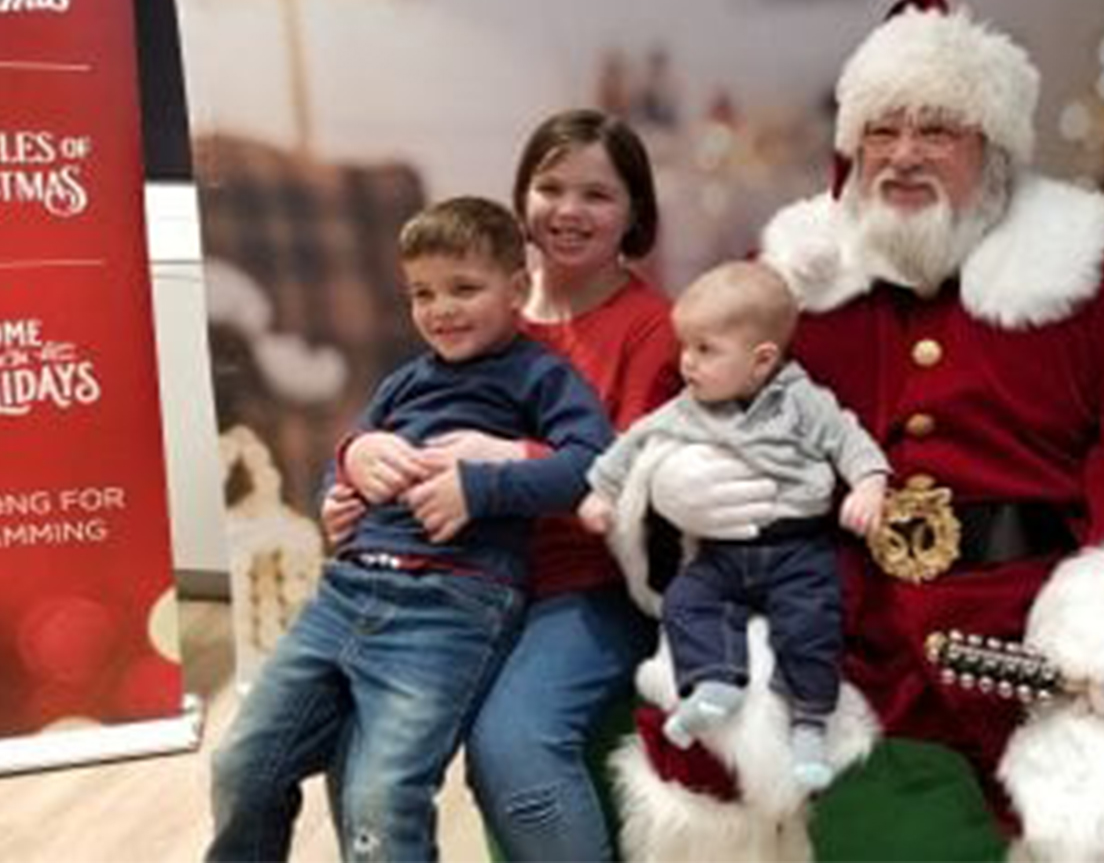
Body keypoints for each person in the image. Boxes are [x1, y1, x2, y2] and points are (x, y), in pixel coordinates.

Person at [609, 0, 1104, 861]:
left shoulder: (1098, 290)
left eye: (938, 132)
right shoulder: (789, 282)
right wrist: (668, 483)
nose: (905, 155)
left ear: (993, 153)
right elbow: (680, 394)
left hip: (1030, 597)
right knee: (706, 748)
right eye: (883, 132)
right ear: (851, 151)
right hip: (836, 597)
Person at [320, 109, 678, 862]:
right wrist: (352, 471)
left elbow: (636, 473)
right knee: (356, 742)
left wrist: (509, 454)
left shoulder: (653, 327)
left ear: (635, 213)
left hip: (584, 586)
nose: (569, 211)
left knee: (512, 749)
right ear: (522, 199)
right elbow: (403, 416)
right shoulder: (478, 305)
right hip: (454, 578)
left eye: (598, 195)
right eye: (550, 187)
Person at [208, 196, 613, 862]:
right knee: (242, 765)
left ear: (517, 289)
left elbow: (593, 465)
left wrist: (480, 489)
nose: (441, 309)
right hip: (345, 594)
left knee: (380, 800)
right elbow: (348, 469)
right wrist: (344, 477)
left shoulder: (544, 376)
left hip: (453, 606)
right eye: (423, 293)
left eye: (463, 289)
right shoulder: (403, 383)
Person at [577, 261, 889, 792]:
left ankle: (810, 723)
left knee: (811, 624)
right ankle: (715, 681)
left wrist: (869, 485)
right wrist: (600, 493)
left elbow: (849, 440)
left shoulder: (802, 401)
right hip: (722, 553)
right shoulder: (688, 406)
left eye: (705, 350)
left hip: (796, 549)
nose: (687, 363)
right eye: (685, 347)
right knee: (687, 601)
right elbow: (632, 442)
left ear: (762, 360)